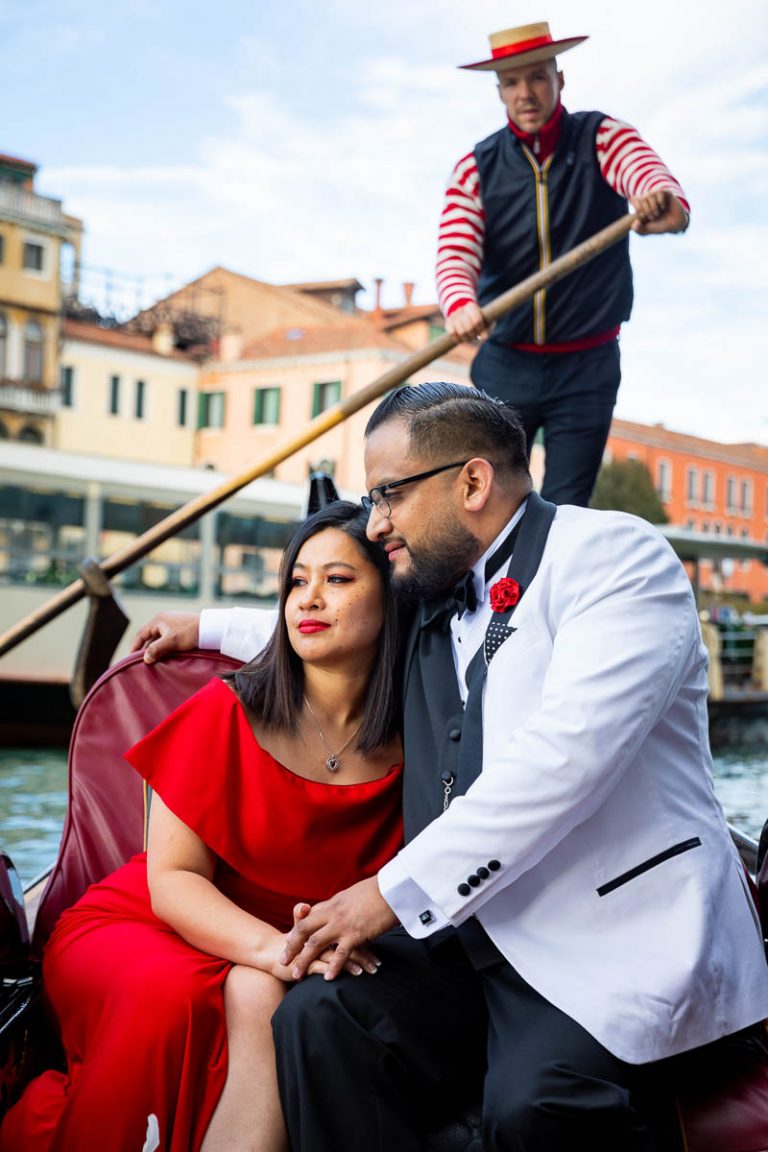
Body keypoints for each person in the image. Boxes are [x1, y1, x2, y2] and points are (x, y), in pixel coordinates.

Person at [129, 383, 768, 1151]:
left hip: (613, 937)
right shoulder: (430, 582)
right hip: (467, 936)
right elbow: (338, 615)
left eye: (389, 495)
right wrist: (205, 625)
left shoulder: (619, 560)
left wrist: (382, 897)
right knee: (319, 1018)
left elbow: (563, 761)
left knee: (535, 1109)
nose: (376, 523)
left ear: (471, 482)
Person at [0, 502, 405, 1152]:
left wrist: (278, 959)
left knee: (257, 992)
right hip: (151, 924)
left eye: (338, 579)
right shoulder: (222, 713)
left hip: (276, 950)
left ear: (392, 596)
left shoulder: (424, 742)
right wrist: (282, 954)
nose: (310, 598)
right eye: (297, 581)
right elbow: (173, 883)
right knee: (178, 1003)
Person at [436, 21, 689, 507]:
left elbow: (652, 181)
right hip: (507, 363)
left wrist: (656, 200)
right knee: (490, 502)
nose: (525, 93)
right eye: (511, 82)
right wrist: (460, 303)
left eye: (537, 77)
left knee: (565, 510)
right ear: (499, 91)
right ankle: (486, 587)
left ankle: (547, 586)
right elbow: (454, 249)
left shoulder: (602, 138)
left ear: (560, 79)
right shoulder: (476, 167)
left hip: (587, 364)